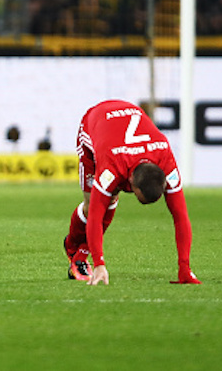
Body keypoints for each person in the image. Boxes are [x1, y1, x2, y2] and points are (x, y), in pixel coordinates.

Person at [63, 100, 201, 285]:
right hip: (94, 122)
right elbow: (95, 215)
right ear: (130, 183)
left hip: (125, 127)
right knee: (95, 204)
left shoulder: (166, 159)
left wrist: (185, 268)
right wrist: (99, 264)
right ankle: (72, 247)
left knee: (110, 198)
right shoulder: (112, 167)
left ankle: (80, 256)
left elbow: (181, 216)